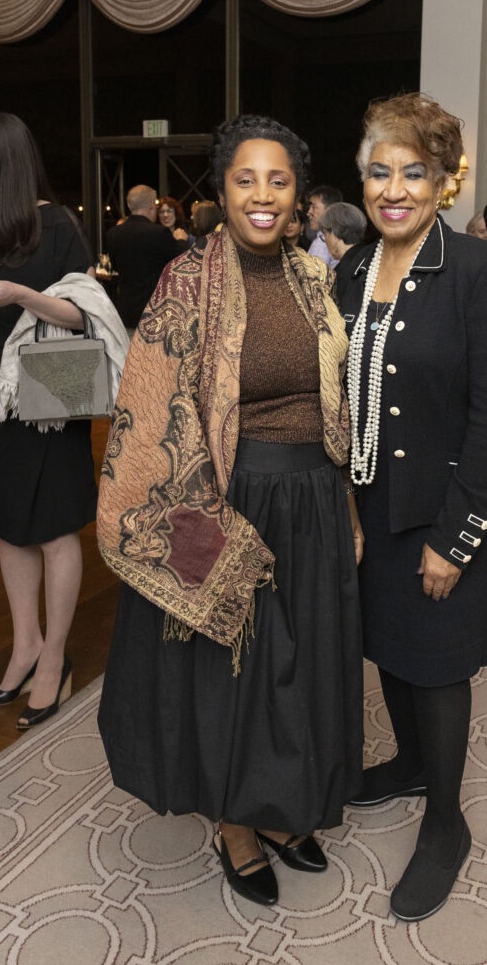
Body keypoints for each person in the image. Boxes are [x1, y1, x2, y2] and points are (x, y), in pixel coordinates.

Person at [96, 115, 364, 910]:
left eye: (277, 181)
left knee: (302, 666)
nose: (261, 195)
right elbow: (147, 408)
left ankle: (283, 810)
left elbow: (334, 401)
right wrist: (197, 524)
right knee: (231, 675)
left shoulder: (314, 279)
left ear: (299, 197)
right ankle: (235, 825)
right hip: (223, 498)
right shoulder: (186, 283)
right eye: (246, 179)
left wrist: (343, 504)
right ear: (221, 190)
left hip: (312, 497)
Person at [338, 93, 487, 922]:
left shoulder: (480, 271)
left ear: (445, 181)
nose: (394, 187)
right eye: (380, 171)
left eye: (414, 171)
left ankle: (445, 821)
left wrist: (457, 537)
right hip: (369, 506)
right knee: (391, 647)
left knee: (439, 662)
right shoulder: (347, 269)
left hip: (444, 507)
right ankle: (410, 763)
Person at [0, 112, 100, 727]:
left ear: (7, 163)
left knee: (55, 524)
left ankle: (55, 659)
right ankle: (24, 646)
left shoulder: (57, 224)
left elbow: (83, 314)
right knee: (10, 521)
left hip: (50, 375)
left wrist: (19, 295)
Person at [106, 184, 188, 330]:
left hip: (126, 311)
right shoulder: (159, 233)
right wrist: (182, 240)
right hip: (155, 311)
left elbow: (116, 266)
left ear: (129, 205)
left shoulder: (114, 233)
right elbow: (179, 262)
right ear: (152, 204)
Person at [306, 184, 343, 267]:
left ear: (329, 210)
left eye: (314, 207)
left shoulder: (322, 244)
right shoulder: (338, 238)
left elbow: (315, 278)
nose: (309, 212)